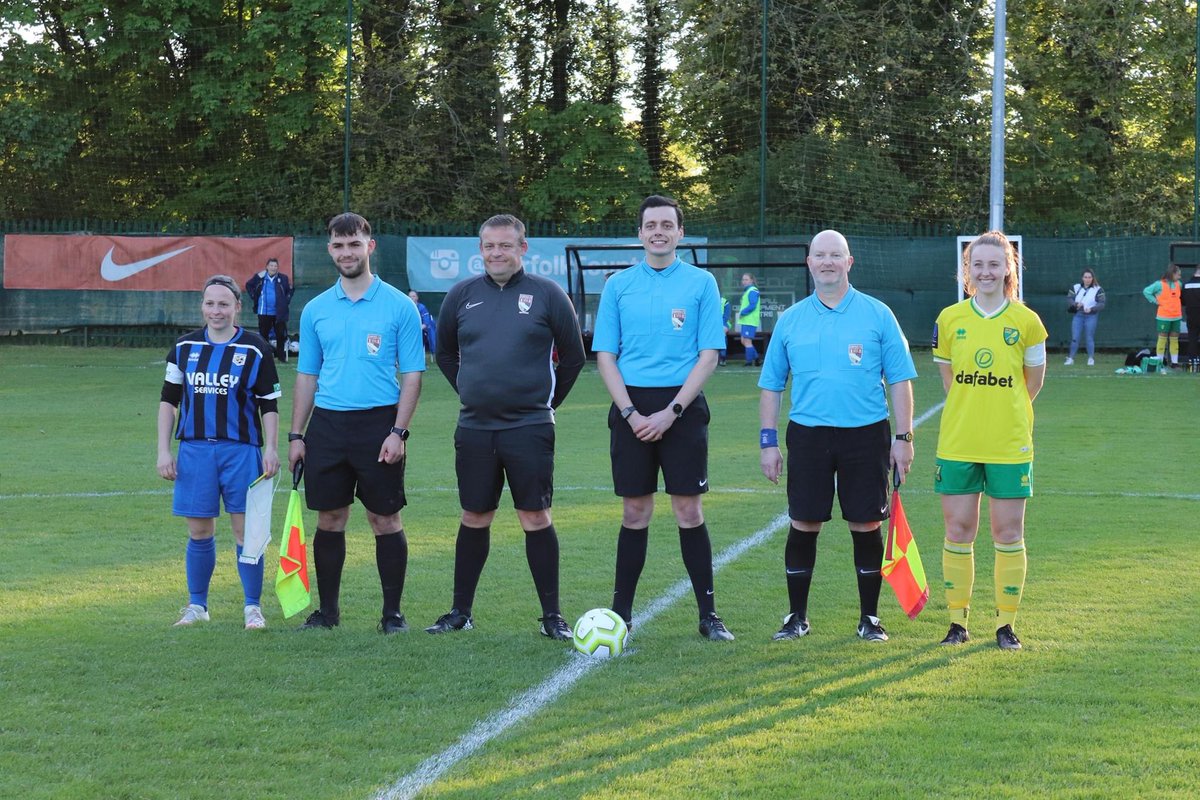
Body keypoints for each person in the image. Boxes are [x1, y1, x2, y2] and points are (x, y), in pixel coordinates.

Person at [423, 214, 587, 640]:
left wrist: (546, 404)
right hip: (475, 427)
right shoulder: (461, 295)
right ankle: (460, 612)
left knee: (535, 516)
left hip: (529, 427)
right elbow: (444, 354)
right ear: (481, 249)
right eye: (489, 246)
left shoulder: (548, 294)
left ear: (522, 248)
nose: (497, 253)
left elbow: (573, 358)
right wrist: (469, 390)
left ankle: (552, 616)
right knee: (474, 515)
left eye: (506, 246)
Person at [758, 230, 916, 644]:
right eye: (819, 255)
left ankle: (870, 619)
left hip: (866, 436)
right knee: (804, 522)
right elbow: (772, 384)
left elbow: (899, 379)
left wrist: (904, 436)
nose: (827, 262)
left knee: (865, 523)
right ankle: (796, 617)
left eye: (836, 255)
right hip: (808, 436)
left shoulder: (878, 314)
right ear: (809, 263)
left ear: (849, 262)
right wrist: (768, 442)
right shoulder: (792, 320)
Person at [592, 194, 734, 641]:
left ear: (679, 233)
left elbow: (709, 354)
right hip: (630, 407)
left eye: (666, 224)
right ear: (640, 233)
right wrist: (631, 412)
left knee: (688, 510)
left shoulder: (701, 283)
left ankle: (708, 616)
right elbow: (605, 356)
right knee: (635, 511)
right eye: (650, 224)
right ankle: (620, 615)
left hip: (683, 408)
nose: (658, 231)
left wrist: (672, 412)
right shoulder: (618, 285)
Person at [287, 212, 425, 633]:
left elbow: (413, 375)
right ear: (330, 249)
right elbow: (307, 376)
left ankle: (392, 615)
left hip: (378, 425)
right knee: (329, 519)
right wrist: (296, 435)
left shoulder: (399, 305)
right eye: (338, 245)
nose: (346, 252)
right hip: (327, 427)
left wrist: (398, 431)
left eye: (354, 244)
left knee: (385, 519)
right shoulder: (315, 310)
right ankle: (327, 613)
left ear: (370, 246)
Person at [933, 231, 1046, 651]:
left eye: (993, 264)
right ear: (968, 270)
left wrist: (1003, 409)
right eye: (977, 265)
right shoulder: (949, 320)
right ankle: (957, 623)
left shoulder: (1027, 322)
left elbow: (1032, 383)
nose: (985, 272)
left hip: (1008, 442)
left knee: (1007, 531)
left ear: (1008, 269)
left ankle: (1005, 625)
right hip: (959, 441)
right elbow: (950, 381)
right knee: (958, 530)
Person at [157, 274, 281, 630]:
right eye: (210, 303)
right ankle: (197, 606)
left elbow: (268, 404)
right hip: (195, 452)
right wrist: (164, 451)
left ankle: (252, 608)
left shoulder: (255, 348)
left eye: (224, 304)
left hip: (241, 451)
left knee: (246, 533)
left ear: (237, 307)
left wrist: (271, 448)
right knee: (199, 532)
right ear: (202, 306)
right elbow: (168, 402)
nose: (216, 311)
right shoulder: (183, 348)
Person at [244, 257, 293, 362]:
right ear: (267, 267)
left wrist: (285, 301)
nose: (273, 268)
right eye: (271, 265)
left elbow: (290, 290)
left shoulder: (283, 278)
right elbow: (248, 285)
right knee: (263, 335)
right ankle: (265, 357)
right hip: (263, 312)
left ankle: (281, 357)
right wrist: (254, 296)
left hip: (279, 313)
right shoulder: (260, 276)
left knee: (280, 335)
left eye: (275, 266)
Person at [1143, 264, 1183, 368]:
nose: (1180, 277)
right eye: (1178, 274)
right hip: (1164, 317)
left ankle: (1174, 363)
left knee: (1174, 339)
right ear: (1172, 274)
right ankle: (1159, 363)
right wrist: (1155, 301)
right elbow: (1146, 291)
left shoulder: (1179, 284)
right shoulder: (1159, 284)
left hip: (1177, 316)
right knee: (1162, 339)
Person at [1064, 268, 1105, 366]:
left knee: (1089, 337)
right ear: (1082, 278)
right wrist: (1075, 304)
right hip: (1078, 315)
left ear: (1092, 278)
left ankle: (1091, 358)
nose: (1087, 279)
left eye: (1089, 277)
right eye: (1085, 277)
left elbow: (1102, 303)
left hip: (1091, 316)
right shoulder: (1076, 287)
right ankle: (1071, 358)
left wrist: (1092, 309)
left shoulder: (1098, 289)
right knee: (1075, 337)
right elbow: (1069, 298)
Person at [738, 272, 761, 366]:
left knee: (747, 341)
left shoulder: (752, 290)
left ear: (751, 280)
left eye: (746, 279)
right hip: (746, 320)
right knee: (743, 340)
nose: (744, 281)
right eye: (743, 279)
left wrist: (743, 312)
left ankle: (748, 362)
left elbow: (752, 305)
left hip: (750, 320)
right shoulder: (748, 291)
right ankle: (757, 358)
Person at [408, 290, 438, 359]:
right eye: (409, 296)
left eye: (413, 296)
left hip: (420, 332)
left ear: (417, 298)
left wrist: (417, 329)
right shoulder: (405, 307)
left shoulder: (422, 308)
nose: (411, 298)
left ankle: (419, 360)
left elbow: (426, 323)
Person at [1182, 265, 1200, 371]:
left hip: (1191, 316)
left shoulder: (1186, 285)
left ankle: (1192, 364)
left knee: (1192, 339)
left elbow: (1183, 301)